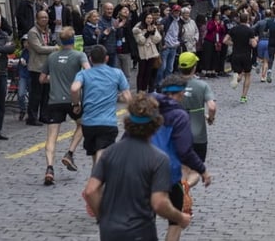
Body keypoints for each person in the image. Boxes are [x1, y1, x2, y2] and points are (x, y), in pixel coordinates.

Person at [82, 93, 192, 241]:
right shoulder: (158, 159)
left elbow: (90, 191)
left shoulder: (109, 153)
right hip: (140, 232)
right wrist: (180, 217)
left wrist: (103, 218)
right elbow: (159, 202)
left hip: (110, 232)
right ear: (156, 124)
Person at [151, 74, 212, 241]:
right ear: (180, 93)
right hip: (168, 174)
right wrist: (203, 170)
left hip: (141, 172)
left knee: (146, 220)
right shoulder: (179, 115)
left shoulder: (146, 109)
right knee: (176, 220)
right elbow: (184, 150)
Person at [40, 27, 90, 185]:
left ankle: (49, 168)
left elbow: (42, 79)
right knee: (83, 124)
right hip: (72, 99)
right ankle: (69, 153)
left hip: (54, 100)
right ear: (73, 40)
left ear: (60, 41)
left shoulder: (52, 57)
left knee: (51, 136)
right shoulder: (79, 55)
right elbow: (88, 72)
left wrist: (53, 79)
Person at [71, 45, 132, 166]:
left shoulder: (83, 74)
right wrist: (134, 114)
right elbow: (127, 97)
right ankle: (98, 180)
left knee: (95, 157)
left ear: (90, 59)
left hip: (88, 124)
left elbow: (74, 89)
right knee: (102, 155)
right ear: (107, 58)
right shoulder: (117, 73)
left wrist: (76, 104)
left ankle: (96, 180)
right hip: (107, 122)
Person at [177, 52, 216, 188]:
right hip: (198, 135)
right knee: (195, 170)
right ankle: (185, 187)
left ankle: (181, 191)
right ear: (194, 67)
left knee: (183, 168)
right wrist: (210, 118)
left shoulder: (173, 85)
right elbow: (211, 106)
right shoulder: (202, 85)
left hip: (178, 133)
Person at [26, 10, 56, 126]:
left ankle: (44, 115)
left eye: (46, 17)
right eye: (42, 17)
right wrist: (55, 48)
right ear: (37, 19)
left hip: (47, 66)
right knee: (36, 94)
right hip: (36, 67)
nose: (44, 19)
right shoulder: (33, 32)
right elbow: (39, 48)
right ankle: (32, 117)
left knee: (46, 93)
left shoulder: (47, 31)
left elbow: (47, 45)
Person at [223, 12, 258, 104]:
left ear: (239, 19)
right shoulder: (250, 30)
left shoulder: (233, 29)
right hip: (246, 55)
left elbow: (225, 40)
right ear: (247, 19)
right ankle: (243, 96)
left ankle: (236, 77)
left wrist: (233, 43)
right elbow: (254, 45)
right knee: (247, 74)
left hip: (235, 54)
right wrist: (255, 40)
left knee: (238, 72)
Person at [133, 11, 162, 93]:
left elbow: (158, 39)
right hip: (142, 53)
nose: (149, 20)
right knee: (141, 72)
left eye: (150, 18)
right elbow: (140, 41)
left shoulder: (153, 27)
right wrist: (147, 33)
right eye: (147, 18)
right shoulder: (138, 28)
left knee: (149, 72)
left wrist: (152, 33)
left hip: (152, 53)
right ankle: (139, 90)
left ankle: (145, 89)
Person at [0, 13, 13, 139]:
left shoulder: (4, 35)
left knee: (1, 102)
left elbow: (11, 48)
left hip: (1, 72)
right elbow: (5, 48)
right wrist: (2, 48)